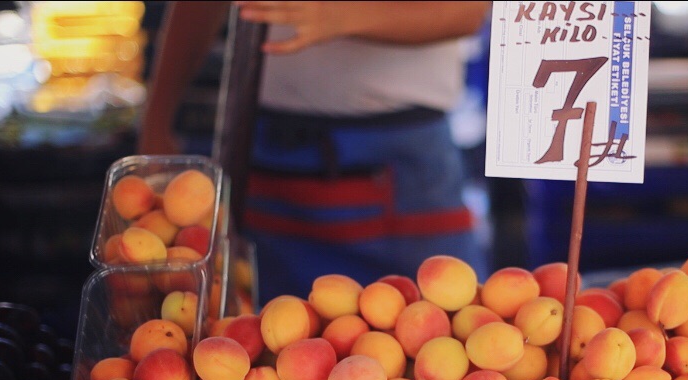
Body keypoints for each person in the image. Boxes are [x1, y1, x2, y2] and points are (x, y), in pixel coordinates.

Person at [140, 1, 492, 302]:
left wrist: (341, 16)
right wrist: (157, 120)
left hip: (397, 163)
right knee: (259, 347)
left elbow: (469, 11)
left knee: (438, 327)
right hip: (265, 151)